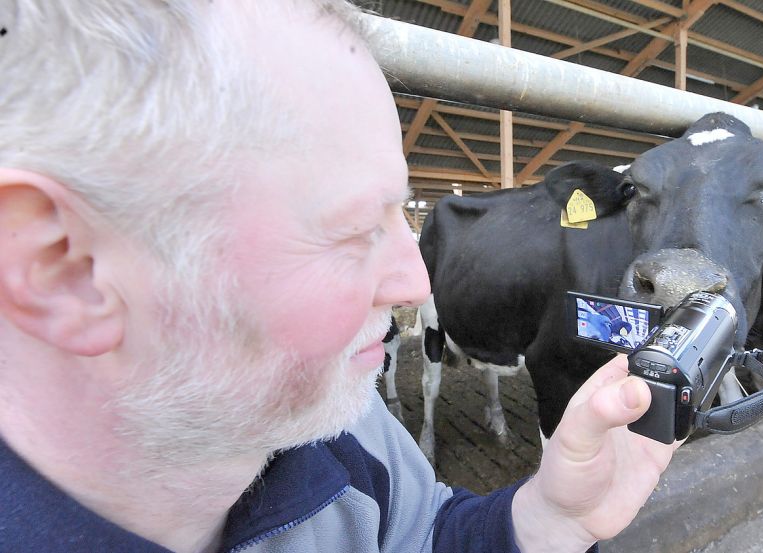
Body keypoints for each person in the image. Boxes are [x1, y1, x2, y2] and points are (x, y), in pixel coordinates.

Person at [0, 1, 679, 551]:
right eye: (354, 229)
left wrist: (543, 520)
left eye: (399, 218)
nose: (418, 283)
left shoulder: (341, 420)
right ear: (63, 268)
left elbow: (423, 535)